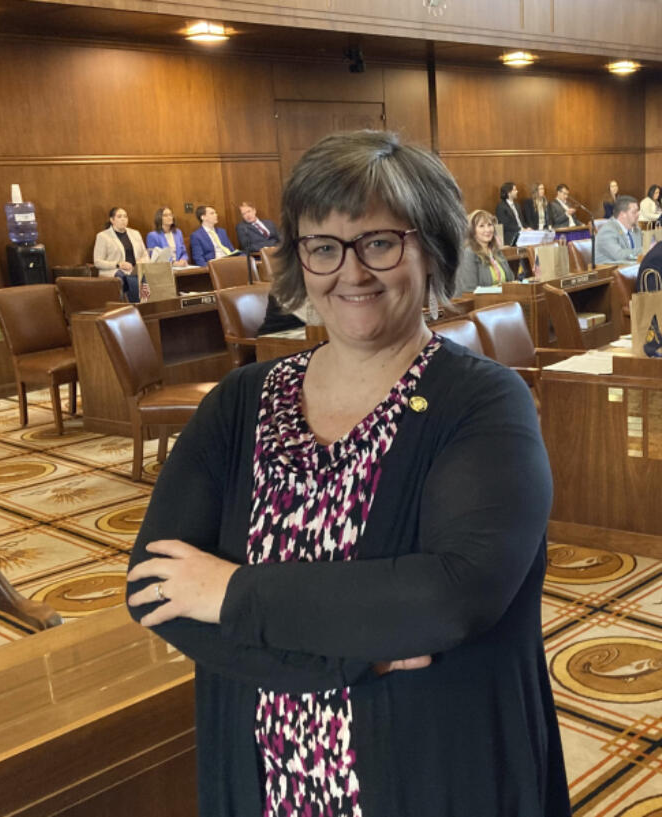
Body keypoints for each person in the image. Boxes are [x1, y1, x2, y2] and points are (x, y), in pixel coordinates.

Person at [124, 129, 570, 816]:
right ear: (301, 261)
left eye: (380, 242)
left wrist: (231, 593)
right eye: (324, 247)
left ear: (431, 250)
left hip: (438, 776)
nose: (352, 272)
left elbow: (449, 597)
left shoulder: (483, 402)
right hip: (264, 780)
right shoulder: (242, 401)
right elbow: (157, 587)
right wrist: (361, 654)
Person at [93, 206, 146, 302]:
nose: (123, 219)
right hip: (115, 271)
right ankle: (136, 308)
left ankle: (152, 307)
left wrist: (140, 262)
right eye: (119, 216)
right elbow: (97, 262)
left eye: (125, 216)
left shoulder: (135, 233)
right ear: (112, 220)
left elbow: (145, 254)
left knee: (155, 275)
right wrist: (118, 264)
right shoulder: (103, 236)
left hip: (136, 268)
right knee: (130, 279)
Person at [455, 209, 514, 292]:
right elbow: (469, 290)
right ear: (472, 230)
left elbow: (511, 279)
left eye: (489, 225)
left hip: (503, 300)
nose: (488, 230)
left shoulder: (496, 251)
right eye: (481, 226)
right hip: (483, 303)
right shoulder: (468, 253)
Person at [594, 195, 642, 265]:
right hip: (609, 272)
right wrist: (646, 249)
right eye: (634, 212)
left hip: (631, 269)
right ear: (623, 214)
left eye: (638, 211)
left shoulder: (636, 229)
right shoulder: (607, 231)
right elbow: (619, 255)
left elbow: (639, 254)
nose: (638, 214)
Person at [494, 181, 524, 246]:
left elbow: (522, 222)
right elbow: (505, 225)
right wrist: (520, 229)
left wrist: (527, 228)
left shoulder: (517, 205)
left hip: (522, 233)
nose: (517, 191)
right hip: (511, 236)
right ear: (509, 192)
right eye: (515, 190)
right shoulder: (501, 207)